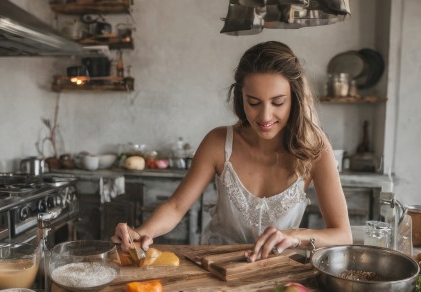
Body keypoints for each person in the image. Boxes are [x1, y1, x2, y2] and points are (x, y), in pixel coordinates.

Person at [112, 41, 352, 262]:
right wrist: (142, 232)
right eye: (254, 102)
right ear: (240, 97)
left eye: (278, 102)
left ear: (295, 100)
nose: (265, 116)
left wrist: (294, 236)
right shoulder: (218, 142)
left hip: (278, 273)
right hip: (216, 267)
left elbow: (343, 235)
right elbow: (176, 207)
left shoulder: (315, 148)